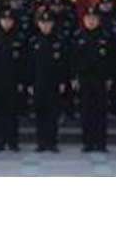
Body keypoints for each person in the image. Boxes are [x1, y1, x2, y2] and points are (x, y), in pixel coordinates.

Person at [71, 6, 113, 153]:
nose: (91, 21)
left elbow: (112, 58)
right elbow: (72, 59)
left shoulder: (106, 36)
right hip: (84, 78)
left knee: (101, 111)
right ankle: (87, 142)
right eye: (88, 18)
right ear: (84, 20)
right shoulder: (78, 36)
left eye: (94, 18)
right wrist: (73, 77)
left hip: (101, 79)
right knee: (86, 112)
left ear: (98, 20)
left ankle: (101, 143)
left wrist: (110, 77)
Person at [28, 11, 69, 152]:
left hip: (54, 83)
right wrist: (29, 82)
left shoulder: (59, 40)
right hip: (38, 82)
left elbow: (64, 63)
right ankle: (41, 142)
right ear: (38, 24)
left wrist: (63, 81)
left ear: (52, 24)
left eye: (48, 23)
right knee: (40, 113)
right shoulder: (33, 41)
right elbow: (28, 64)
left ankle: (52, 142)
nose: (46, 26)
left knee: (53, 113)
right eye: (43, 23)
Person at [0, 9, 27, 152]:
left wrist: (22, 81)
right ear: (0, 21)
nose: (6, 23)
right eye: (4, 20)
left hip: (13, 81)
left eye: (9, 20)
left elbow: (24, 62)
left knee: (12, 113)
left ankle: (12, 142)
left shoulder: (20, 38)